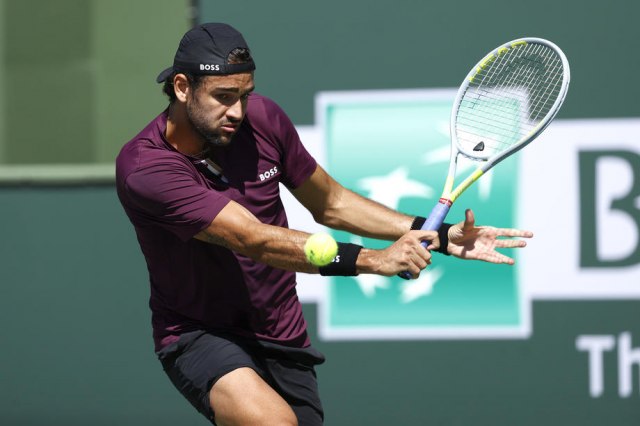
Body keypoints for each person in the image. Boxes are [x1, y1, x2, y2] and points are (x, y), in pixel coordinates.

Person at [115, 23, 533, 426]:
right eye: (223, 97)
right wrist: (374, 260)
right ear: (182, 87)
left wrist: (438, 234)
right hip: (201, 332)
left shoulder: (263, 120)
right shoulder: (146, 169)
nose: (237, 111)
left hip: (280, 331)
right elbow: (252, 238)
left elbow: (332, 203)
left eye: (245, 95)